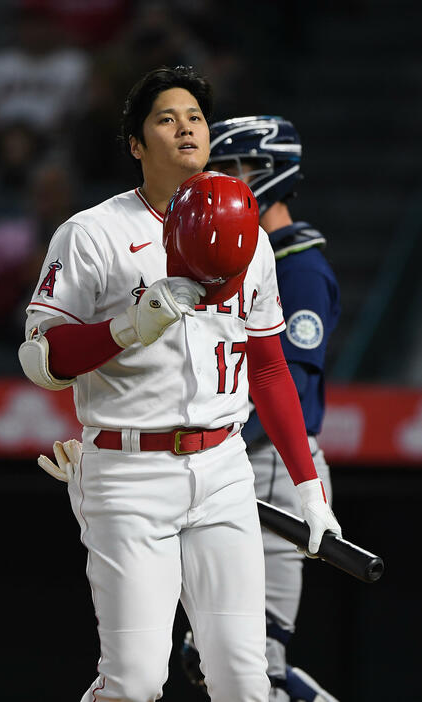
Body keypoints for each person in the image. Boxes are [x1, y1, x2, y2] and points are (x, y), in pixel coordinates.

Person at [18, 67, 342, 702]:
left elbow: (270, 367)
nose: (186, 128)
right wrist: (128, 326)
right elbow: (40, 360)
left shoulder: (245, 232)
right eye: (167, 118)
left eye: (195, 117)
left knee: (245, 683)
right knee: (135, 682)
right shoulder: (93, 233)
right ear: (136, 144)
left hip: (224, 468)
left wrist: (309, 489)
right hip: (128, 470)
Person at [181, 115, 341, 702]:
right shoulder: (235, 258)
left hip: (270, 466)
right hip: (237, 463)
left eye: (232, 169)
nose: (218, 180)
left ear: (272, 175)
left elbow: (287, 391)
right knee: (211, 658)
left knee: (255, 662)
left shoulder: (298, 266)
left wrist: (202, 450)